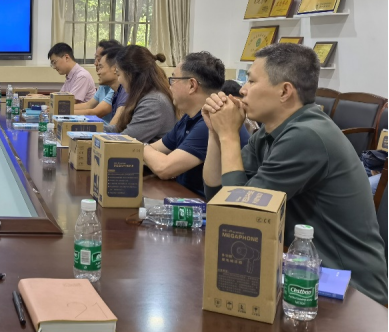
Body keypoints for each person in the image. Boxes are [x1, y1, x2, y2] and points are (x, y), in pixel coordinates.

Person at [202, 43, 388, 305]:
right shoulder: (268, 133)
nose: (242, 89)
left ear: (284, 91)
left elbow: (241, 218)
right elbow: (217, 200)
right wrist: (214, 132)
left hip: (352, 292)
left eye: (252, 81)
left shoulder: (307, 136)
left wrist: (230, 135)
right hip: (304, 274)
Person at [143, 52, 249, 196]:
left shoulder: (212, 120)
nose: (169, 87)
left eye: (173, 80)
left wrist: (141, 147)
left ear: (192, 85)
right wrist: (146, 151)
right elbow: (155, 150)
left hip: (205, 204)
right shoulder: (189, 117)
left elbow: (164, 168)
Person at [103, 45, 176, 143]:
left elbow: (125, 140)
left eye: (118, 74)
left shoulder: (153, 102)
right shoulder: (146, 96)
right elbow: (120, 128)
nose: (119, 80)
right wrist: (92, 129)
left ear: (131, 74)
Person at [74, 40, 119, 121]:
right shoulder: (104, 84)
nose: (96, 63)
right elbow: (88, 105)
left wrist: (60, 112)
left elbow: (96, 113)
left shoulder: (117, 87)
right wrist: (59, 109)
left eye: (99, 59)